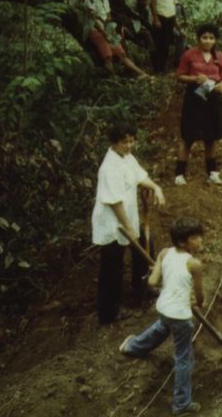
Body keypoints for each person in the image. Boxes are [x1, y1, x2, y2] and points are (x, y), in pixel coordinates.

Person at [120, 217, 205, 415]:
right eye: (195, 237)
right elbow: (200, 296)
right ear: (183, 242)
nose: (200, 240)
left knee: (161, 328)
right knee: (183, 358)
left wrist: (158, 269)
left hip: (165, 308)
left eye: (200, 236)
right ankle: (182, 403)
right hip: (181, 316)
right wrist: (199, 303)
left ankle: (132, 347)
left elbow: (152, 281)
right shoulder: (194, 264)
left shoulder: (165, 253)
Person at [91, 121, 166, 324]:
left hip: (128, 217)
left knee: (144, 247)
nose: (129, 145)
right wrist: (130, 229)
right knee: (112, 268)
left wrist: (156, 188)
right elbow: (114, 202)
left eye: (132, 141)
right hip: (112, 224)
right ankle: (108, 315)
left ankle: (142, 289)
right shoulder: (109, 167)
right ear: (115, 143)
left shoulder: (127, 157)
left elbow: (141, 177)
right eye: (125, 142)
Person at [174, 23, 222, 186]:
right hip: (194, 99)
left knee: (211, 137)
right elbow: (179, 75)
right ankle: (179, 174)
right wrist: (194, 79)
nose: (208, 41)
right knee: (188, 137)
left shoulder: (219, 56)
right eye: (204, 37)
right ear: (198, 39)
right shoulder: (189, 55)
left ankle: (212, 172)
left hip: (213, 99)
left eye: (211, 38)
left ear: (215, 40)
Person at [82, 0, 149, 78]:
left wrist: (111, 29)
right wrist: (104, 32)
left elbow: (108, 17)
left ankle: (142, 74)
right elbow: (94, 19)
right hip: (96, 30)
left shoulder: (105, 0)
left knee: (122, 54)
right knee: (108, 57)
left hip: (108, 29)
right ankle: (114, 78)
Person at [150, 0, 177, 72]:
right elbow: (152, 2)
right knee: (160, 43)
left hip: (170, 16)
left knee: (167, 43)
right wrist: (155, 18)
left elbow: (171, 0)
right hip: (161, 16)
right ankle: (157, 68)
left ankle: (163, 66)